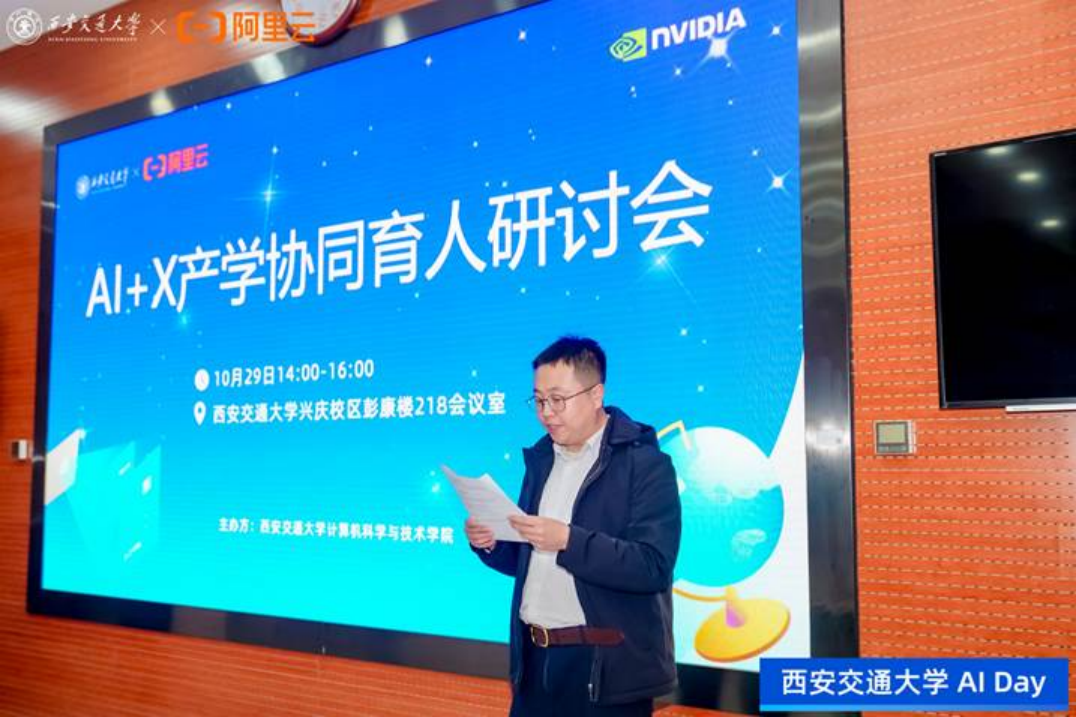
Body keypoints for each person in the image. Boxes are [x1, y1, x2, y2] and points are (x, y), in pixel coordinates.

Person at [465, 336, 681, 716]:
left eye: (557, 399)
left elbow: (652, 566)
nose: (546, 412)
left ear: (596, 394)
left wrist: (568, 540)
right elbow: (529, 559)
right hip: (534, 662)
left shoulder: (646, 465)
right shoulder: (542, 460)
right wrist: (492, 542)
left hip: (605, 671)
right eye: (538, 400)